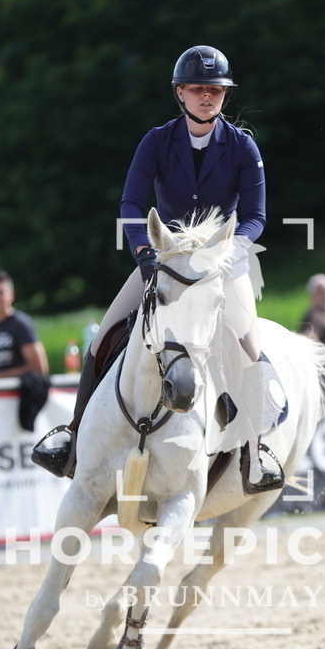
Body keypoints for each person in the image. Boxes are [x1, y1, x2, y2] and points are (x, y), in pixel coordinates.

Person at [32, 44, 283, 493]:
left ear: (224, 95)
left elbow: (256, 215)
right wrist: (144, 254)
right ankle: (72, 437)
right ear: (180, 94)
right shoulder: (156, 141)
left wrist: (230, 252)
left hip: (220, 263)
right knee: (105, 335)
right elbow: (131, 203)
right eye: (198, 89)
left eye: (215, 90)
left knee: (249, 347)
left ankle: (254, 451)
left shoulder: (243, 146)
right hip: (165, 260)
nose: (207, 97)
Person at [0, 270, 49, 378]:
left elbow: (39, 367)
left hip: (14, 391)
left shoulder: (20, 324)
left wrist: (3, 377)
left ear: (11, 295)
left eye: (1, 292)